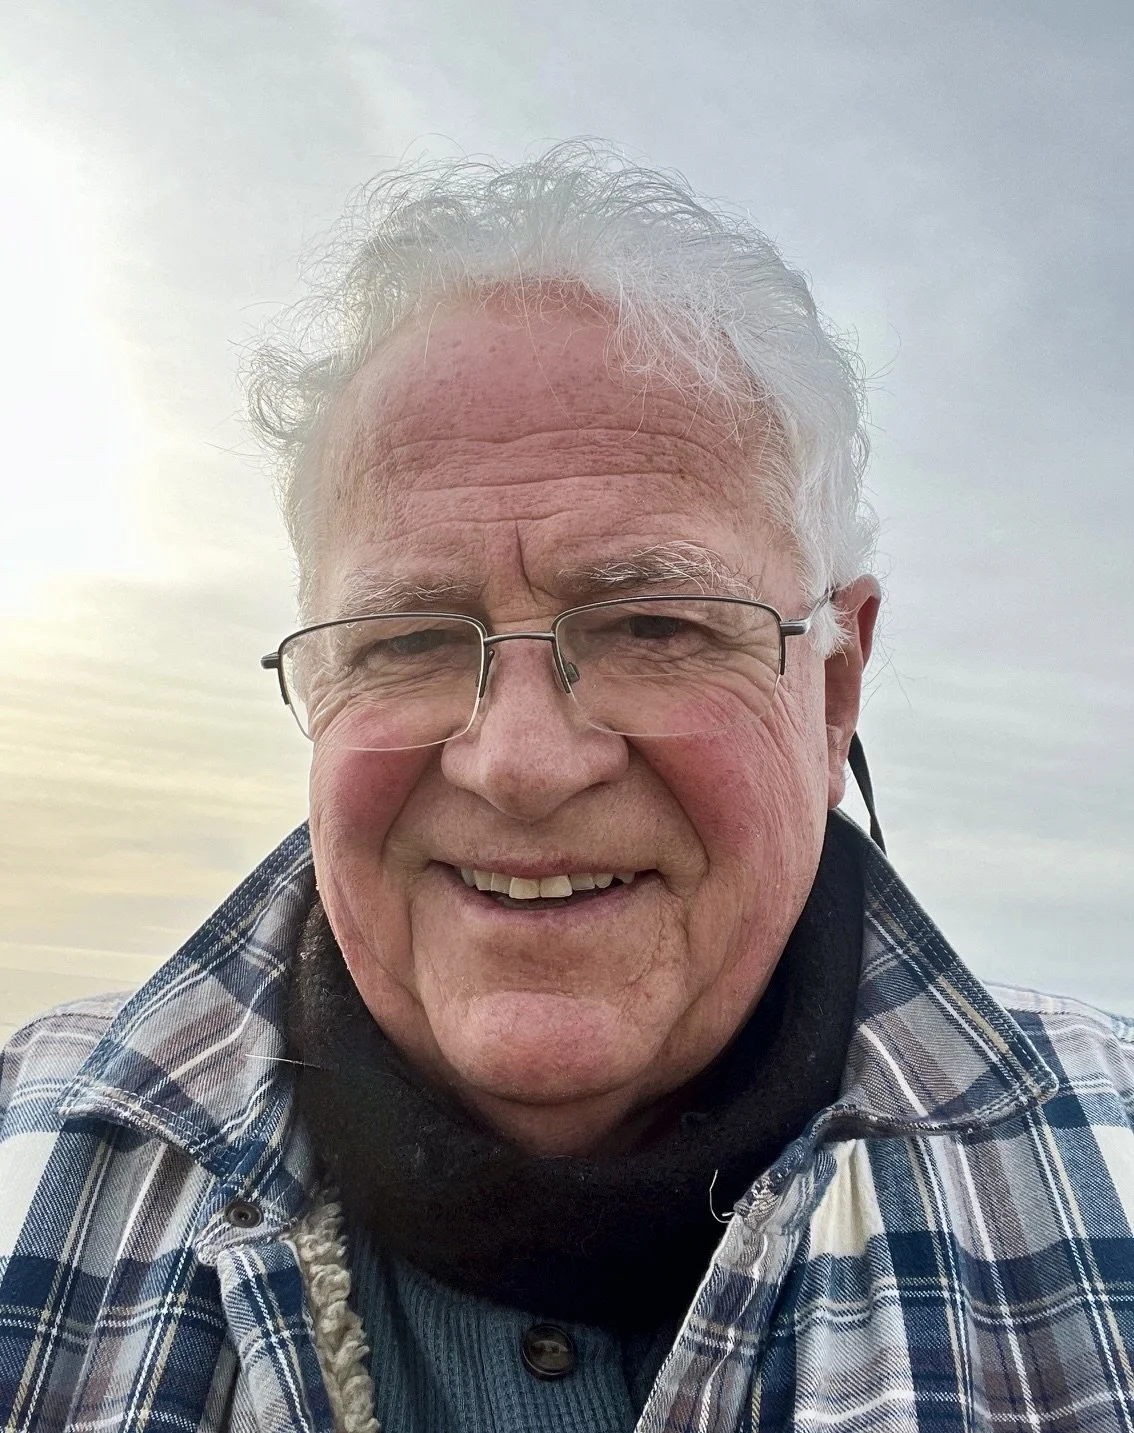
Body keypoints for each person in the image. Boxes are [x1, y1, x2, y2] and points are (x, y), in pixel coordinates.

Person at [2, 144, 1132, 1433]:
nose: (521, 763)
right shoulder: (26, 1163)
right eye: (407, 641)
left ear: (832, 693)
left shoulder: (1109, 1166)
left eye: (655, 624)